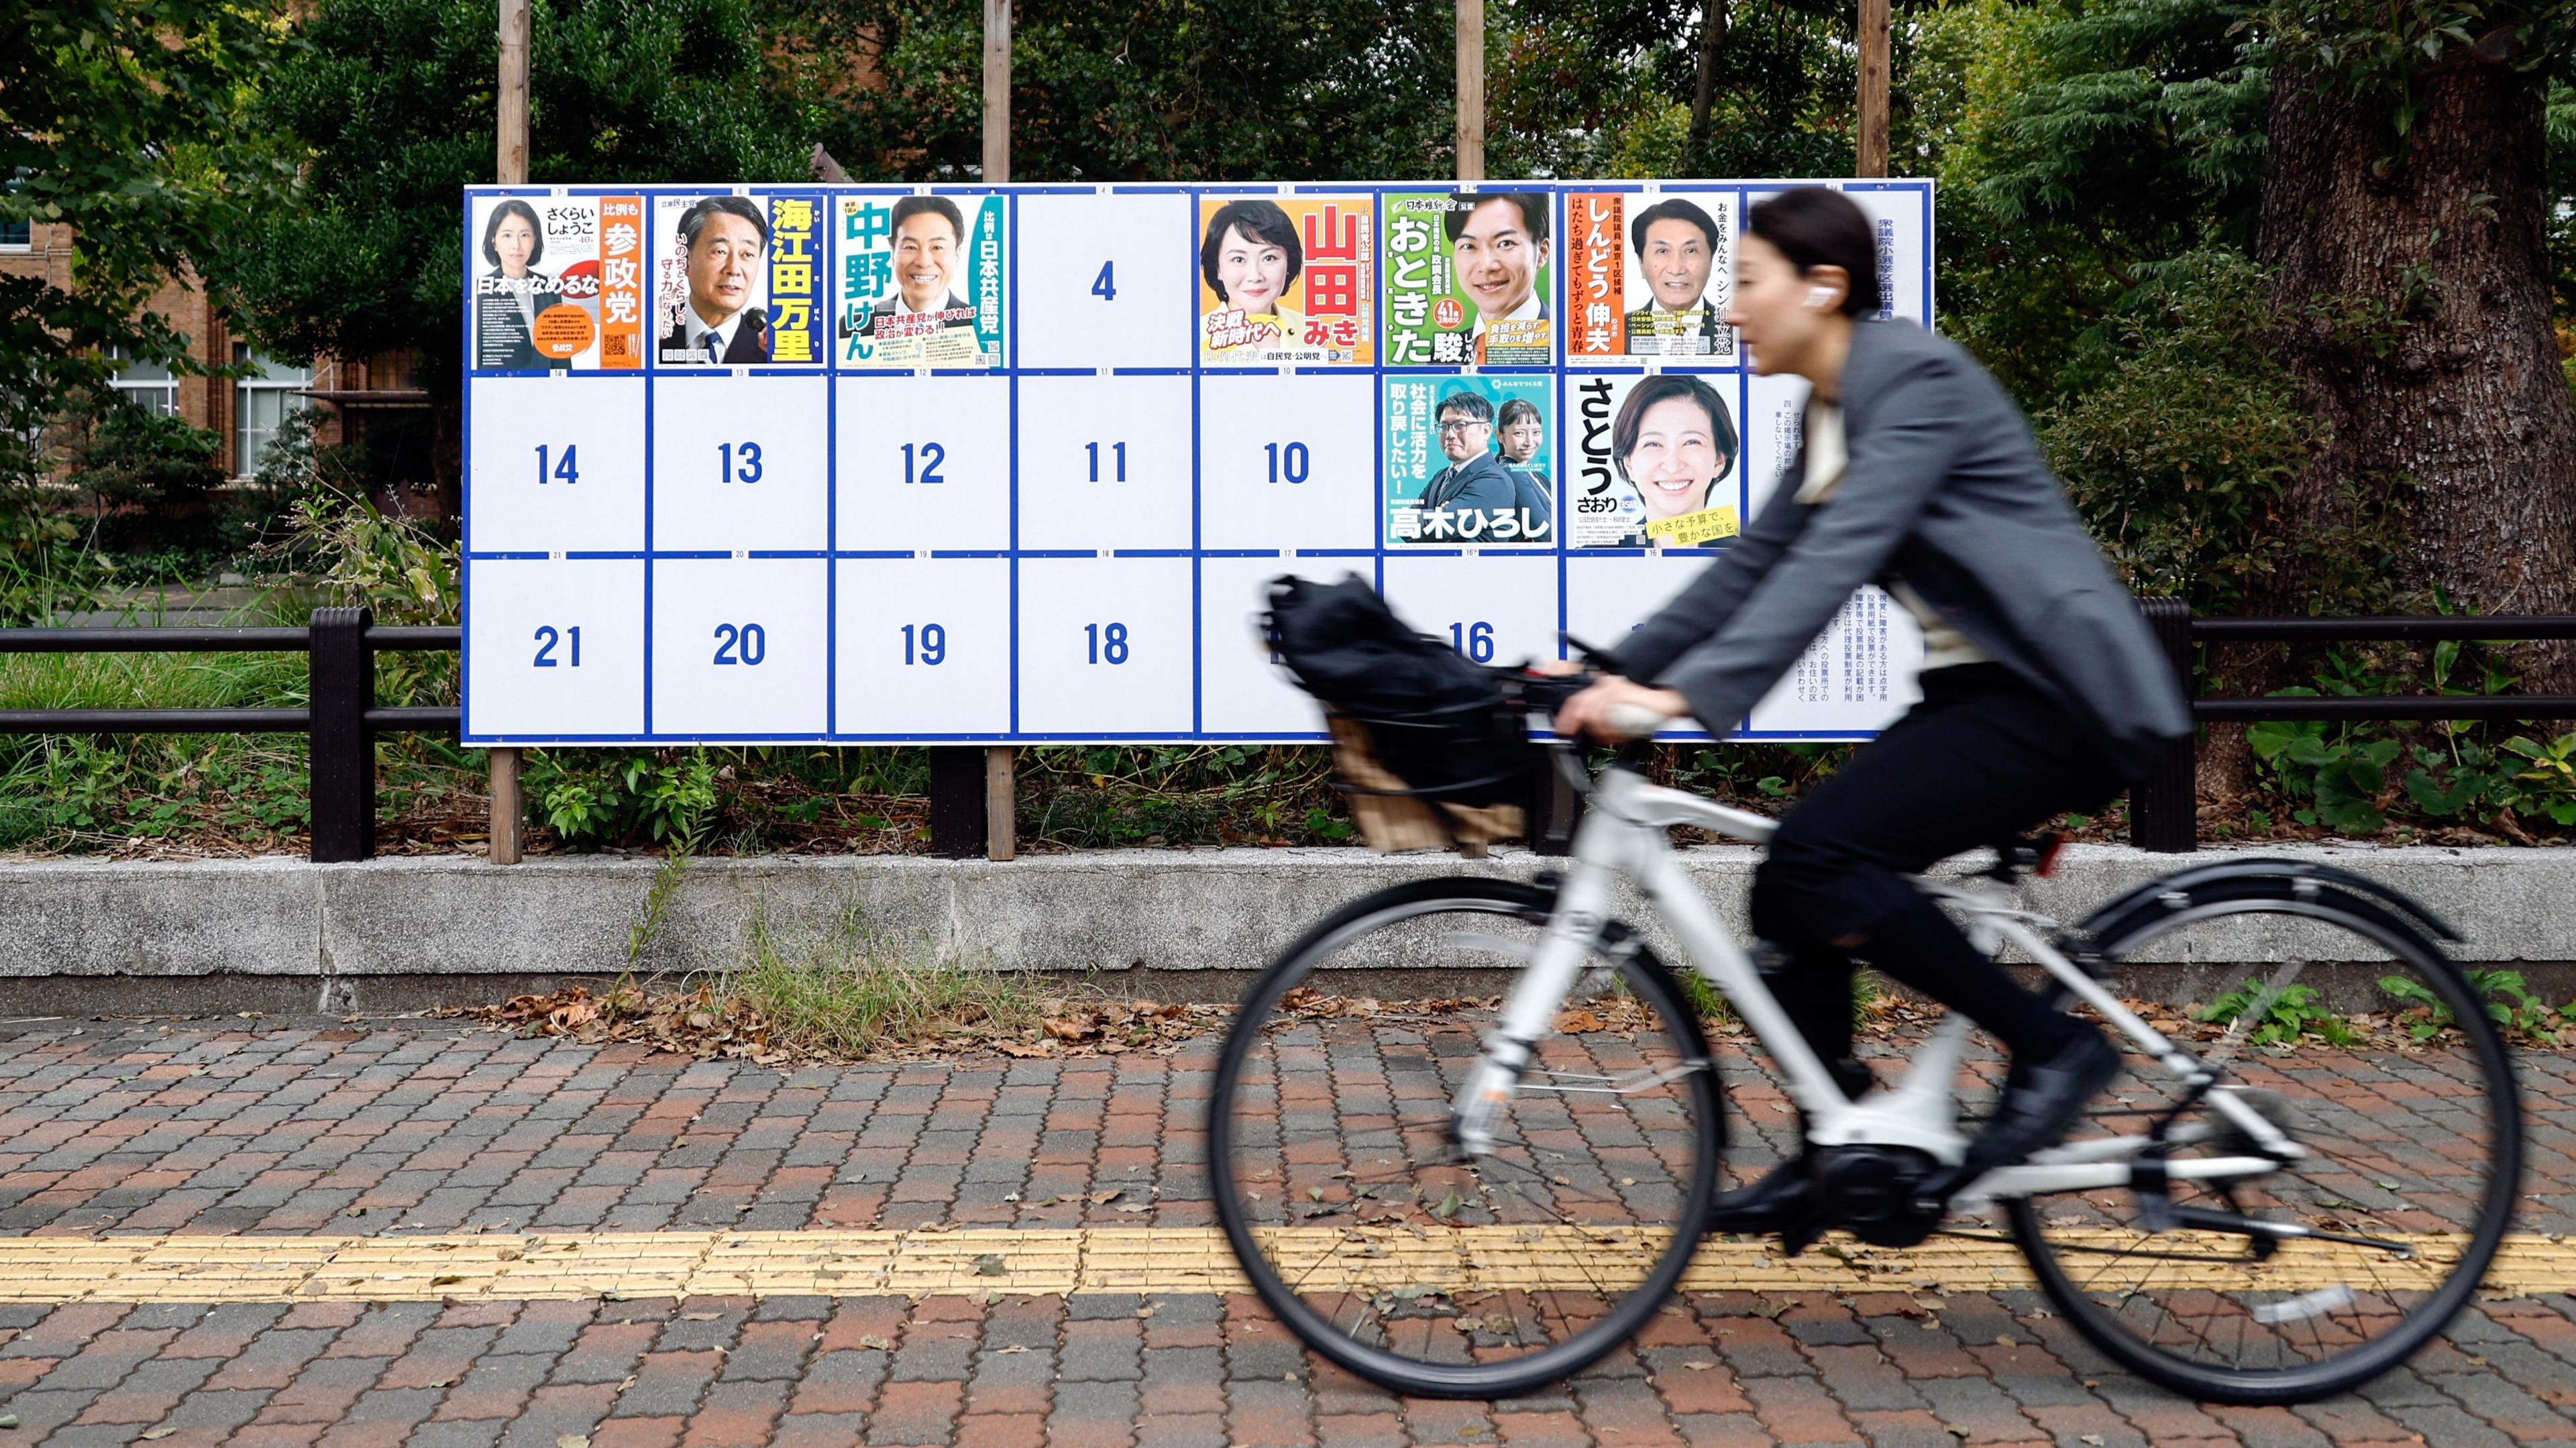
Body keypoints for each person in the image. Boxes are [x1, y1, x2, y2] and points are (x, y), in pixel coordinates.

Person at [1551, 186, 2191, 1231]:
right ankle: (1837, 1136)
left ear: (1824, 286)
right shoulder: (1834, 404)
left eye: (1747, 282)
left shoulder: (1913, 377)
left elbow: (1839, 556)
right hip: (1989, 695)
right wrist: (1608, 668)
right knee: (1787, 887)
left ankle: (2056, 1044)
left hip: (2063, 699)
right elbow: (1756, 563)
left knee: (1817, 857)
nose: (1732, 309)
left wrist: (1684, 696)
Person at [1609, 374, 1737, 544]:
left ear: (1719, 460)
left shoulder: (1758, 563)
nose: (1673, 466)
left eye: (1691, 442)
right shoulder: (1591, 561)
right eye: (1653, 444)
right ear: (1628, 463)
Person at [658, 197, 772, 365]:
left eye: (747, 255)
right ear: (685, 260)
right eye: (720, 251)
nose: (733, 269)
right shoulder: (650, 332)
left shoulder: (769, 351)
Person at [1444, 193, 1548, 364]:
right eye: (1469, 246)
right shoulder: (1444, 353)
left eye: (1506, 243)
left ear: (1542, 252)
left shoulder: (1564, 343)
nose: (1486, 265)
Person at [857, 195, 975, 340]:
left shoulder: (980, 328)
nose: (923, 262)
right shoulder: (853, 329)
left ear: (957, 255)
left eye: (937, 247)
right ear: (893, 253)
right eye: (910, 247)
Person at [1199, 200, 1305, 356]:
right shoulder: (1195, 335)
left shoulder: (1311, 329)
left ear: (1289, 263)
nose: (1255, 276)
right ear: (1217, 268)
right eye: (1238, 260)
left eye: (1269, 258)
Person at [1623, 198, 1726, 356]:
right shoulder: (1616, 332)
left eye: (1691, 251)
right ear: (1642, 264)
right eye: (1663, 251)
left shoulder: (1738, 331)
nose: (1676, 269)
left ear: (1711, 261)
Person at [474, 199, 568, 370]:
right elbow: (477, 356)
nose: (516, 246)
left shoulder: (549, 287)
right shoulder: (481, 289)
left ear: (534, 241)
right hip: (502, 388)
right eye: (507, 235)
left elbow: (560, 352)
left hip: (546, 387)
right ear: (494, 241)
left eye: (524, 235)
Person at [1415, 390, 1523, 534]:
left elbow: (1436, 528)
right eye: (1444, 427)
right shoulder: (1441, 476)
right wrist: (1439, 513)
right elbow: (1407, 524)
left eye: (1460, 425)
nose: (1450, 435)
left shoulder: (1494, 481)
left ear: (1486, 431)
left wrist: (1437, 516)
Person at [1494, 397, 1554, 539]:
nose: (1529, 442)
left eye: (1536, 432)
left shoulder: (1539, 476)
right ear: (1500, 436)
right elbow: (1544, 532)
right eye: (1519, 433)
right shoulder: (1509, 472)